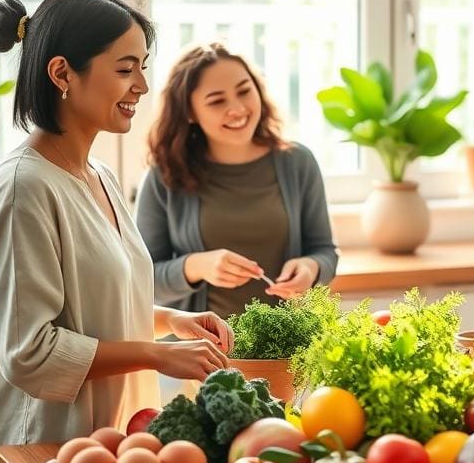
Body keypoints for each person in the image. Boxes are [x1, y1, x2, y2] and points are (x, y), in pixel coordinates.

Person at [0, 0, 234, 463]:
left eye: (143, 65)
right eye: (125, 68)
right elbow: (30, 351)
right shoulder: (23, 188)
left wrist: (168, 321)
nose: (142, 84)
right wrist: (154, 355)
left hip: (105, 453)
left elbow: (95, 299)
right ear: (62, 73)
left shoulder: (100, 176)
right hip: (46, 456)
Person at [136, 42, 337, 320]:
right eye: (217, 101)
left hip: (287, 342)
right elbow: (142, 278)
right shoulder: (165, 174)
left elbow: (325, 251)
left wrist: (311, 268)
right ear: (190, 113)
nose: (238, 108)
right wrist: (195, 266)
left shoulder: (298, 162)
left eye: (244, 91)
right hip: (200, 345)